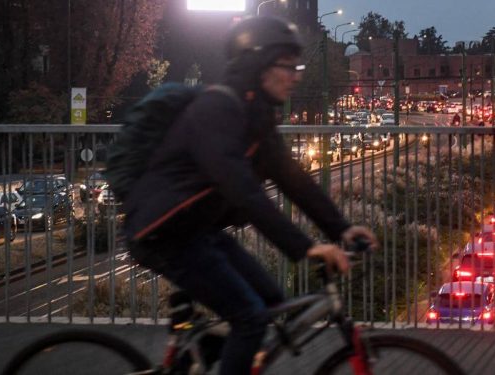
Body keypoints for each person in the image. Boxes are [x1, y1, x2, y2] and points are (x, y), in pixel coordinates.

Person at [122, 16, 377, 374]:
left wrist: (341, 229)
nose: (296, 75)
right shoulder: (218, 110)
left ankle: (194, 359)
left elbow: (294, 180)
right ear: (257, 64)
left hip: (198, 230)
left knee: (272, 301)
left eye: (297, 65)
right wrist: (305, 247)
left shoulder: (256, 115)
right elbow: (243, 191)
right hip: (163, 233)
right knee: (251, 320)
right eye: (287, 66)